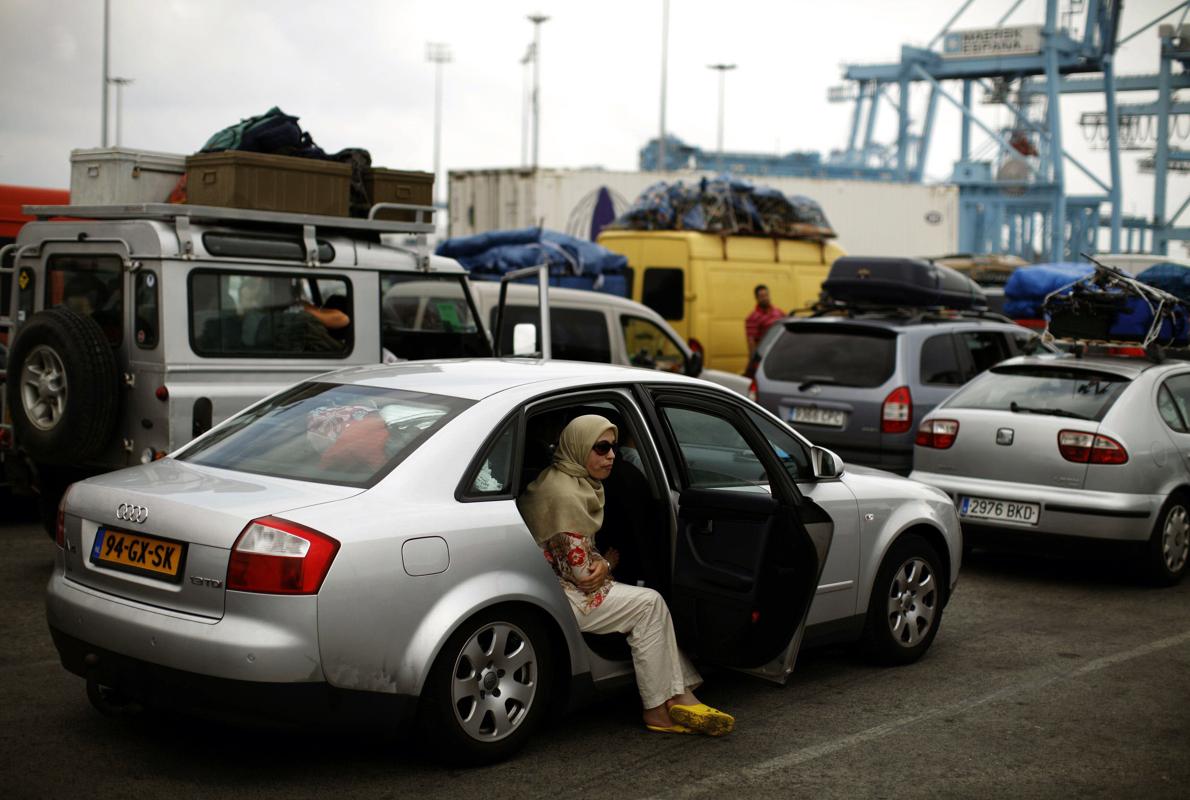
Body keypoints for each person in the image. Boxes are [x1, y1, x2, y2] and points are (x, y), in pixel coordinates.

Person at [516, 414, 735, 736]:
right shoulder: (564, 496)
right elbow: (584, 575)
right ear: (578, 448)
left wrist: (601, 564)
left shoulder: (564, 480)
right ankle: (659, 709)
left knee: (649, 608)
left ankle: (679, 698)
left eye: (614, 448)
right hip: (566, 599)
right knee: (649, 603)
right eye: (601, 448)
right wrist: (608, 564)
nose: (611, 457)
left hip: (555, 589)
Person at [744, 284, 786, 377]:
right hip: (765, 357)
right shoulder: (753, 317)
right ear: (756, 298)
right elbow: (751, 342)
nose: (765, 298)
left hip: (780, 355)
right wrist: (754, 361)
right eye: (762, 296)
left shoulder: (778, 312)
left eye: (766, 295)